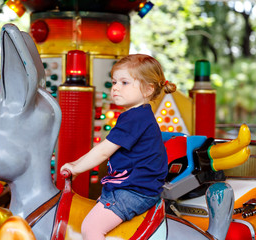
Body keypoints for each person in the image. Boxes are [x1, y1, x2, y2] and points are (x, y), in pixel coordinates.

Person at [60, 54, 176, 240]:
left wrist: (77, 168)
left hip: (134, 192)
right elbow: (102, 149)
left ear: (148, 89)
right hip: (131, 187)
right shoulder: (138, 115)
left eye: (124, 82)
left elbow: (104, 150)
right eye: (114, 82)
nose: (115, 88)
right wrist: (75, 164)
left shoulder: (135, 118)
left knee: (91, 228)